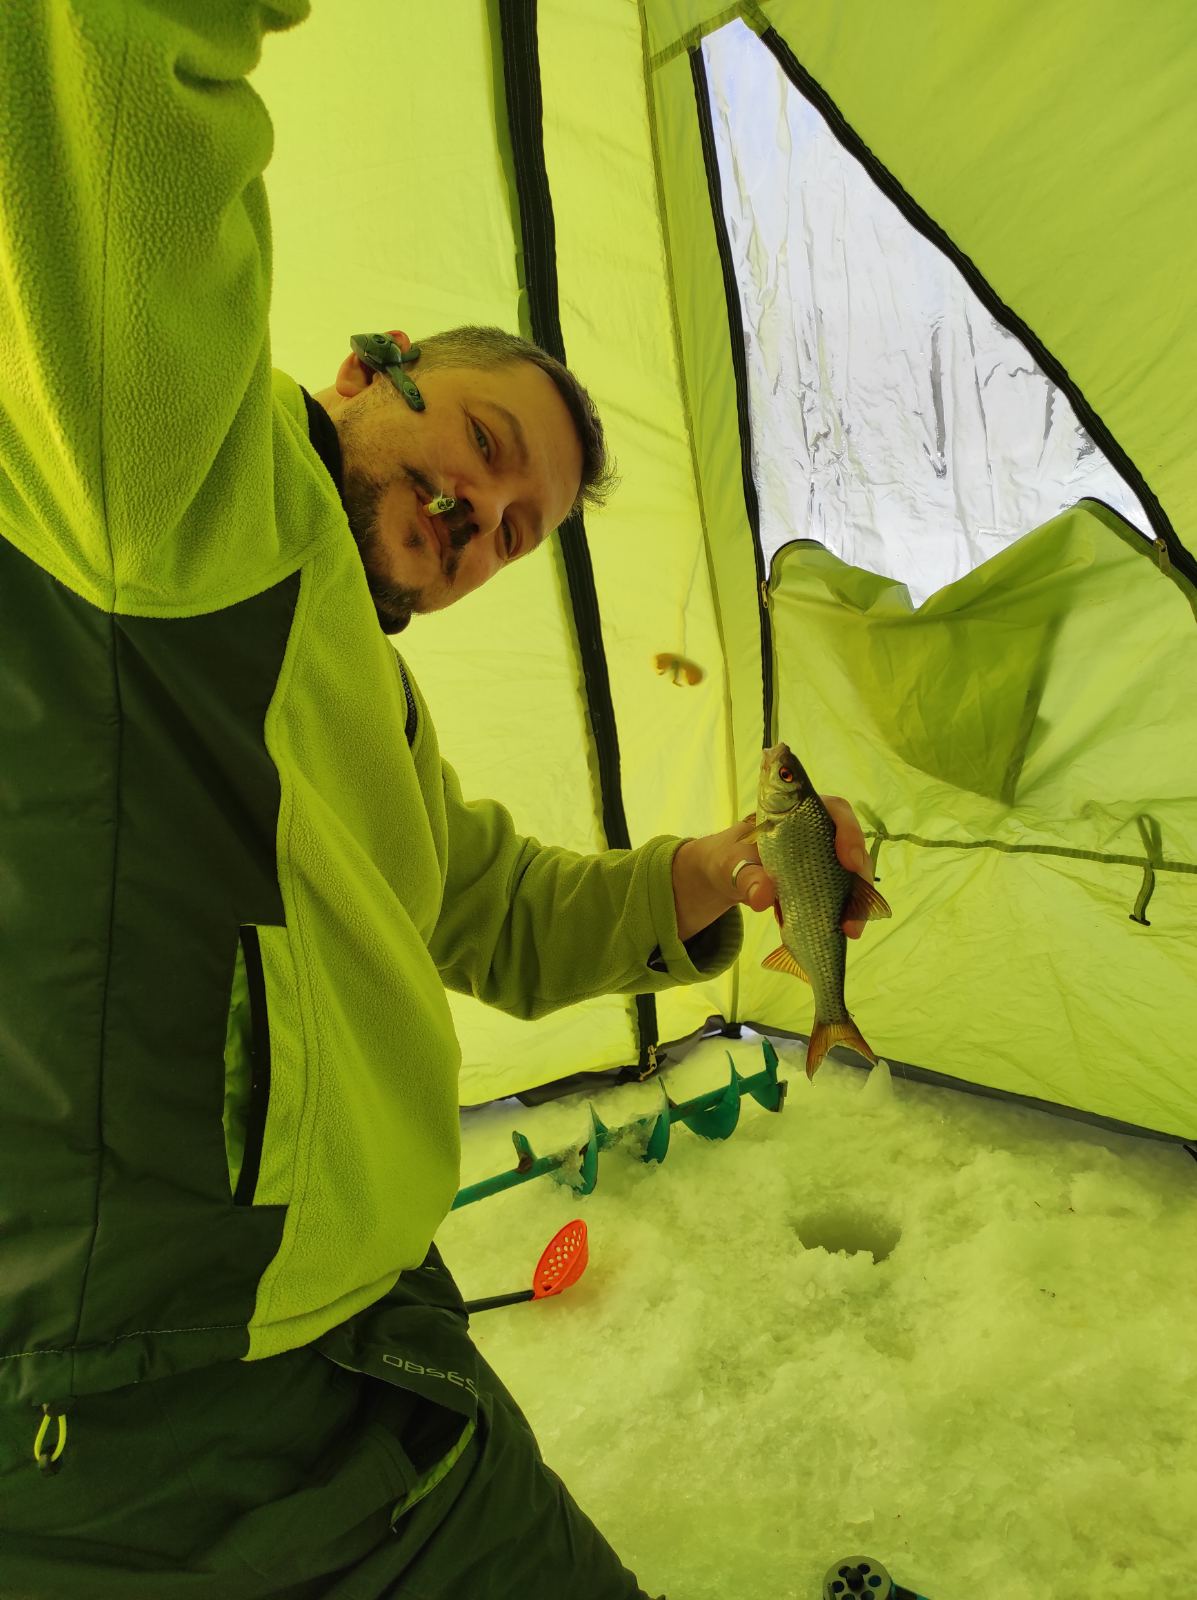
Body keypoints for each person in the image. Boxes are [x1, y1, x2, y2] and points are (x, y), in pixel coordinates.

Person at [0, 4, 873, 1596]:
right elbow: (102, 82)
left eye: (517, 529)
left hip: (361, 1346)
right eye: (479, 444)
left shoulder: (354, 688)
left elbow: (490, 910)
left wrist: (723, 868)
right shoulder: (179, 488)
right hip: (138, 1406)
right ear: (365, 370)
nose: (480, 513)